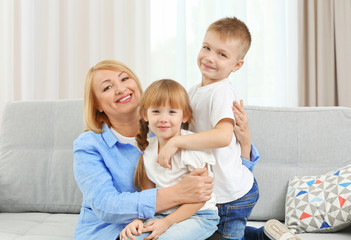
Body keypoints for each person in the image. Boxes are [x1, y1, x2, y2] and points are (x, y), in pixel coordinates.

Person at [156, 17, 300, 240]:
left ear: (237, 65)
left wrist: (176, 142)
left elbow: (223, 137)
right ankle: (266, 235)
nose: (210, 57)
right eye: (207, 47)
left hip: (231, 196)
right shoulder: (194, 91)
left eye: (222, 54)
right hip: (217, 192)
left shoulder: (221, 92)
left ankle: (264, 237)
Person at [73, 60, 215, 240]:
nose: (120, 89)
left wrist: (244, 145)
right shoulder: (88, 145)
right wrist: (177, 193)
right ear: (98, 106)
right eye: (107, 87)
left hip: (166, 221)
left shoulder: (167, 131)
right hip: (109, 232)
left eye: (124, 78)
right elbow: (105, 205)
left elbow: (210, 181)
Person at [119, 79, 219, 240]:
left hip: (198, 215)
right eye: (156, 111)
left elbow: (201, 198)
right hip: (162, 214)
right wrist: (139, 220)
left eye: (172, 112)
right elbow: (148, 196)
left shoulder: (192, 147)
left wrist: (167, 222)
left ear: (185, 116)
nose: (163, 119)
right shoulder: (147, 148)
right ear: (145, 115)